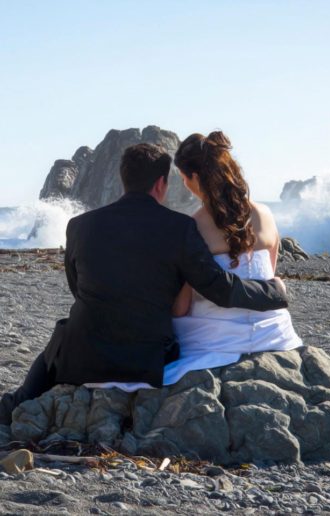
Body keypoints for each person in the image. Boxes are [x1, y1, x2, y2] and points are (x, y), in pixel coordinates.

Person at [0, 143, 288, 425]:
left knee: (62, 335)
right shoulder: (181, 228)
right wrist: (274, 291)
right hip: (148, 362)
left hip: (83, 357)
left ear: (122, 180)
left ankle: (13, 406)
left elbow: (78, 288)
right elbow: (219, 288)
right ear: (161, 184)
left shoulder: (80, 225)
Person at [89, 132, 302, 393]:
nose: (184, 183)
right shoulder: (265, 215)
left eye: (183, 177)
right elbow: (269, 274)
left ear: (196, 178)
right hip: (275, 332)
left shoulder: (193, 226)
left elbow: (181, 307)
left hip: (218, 341)